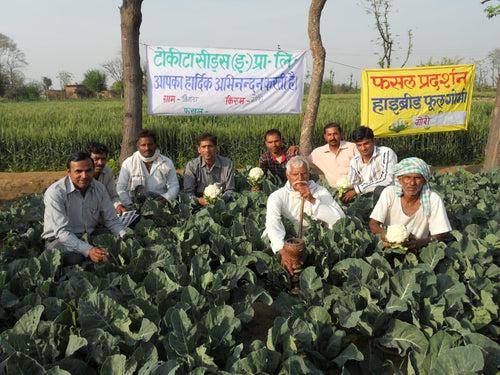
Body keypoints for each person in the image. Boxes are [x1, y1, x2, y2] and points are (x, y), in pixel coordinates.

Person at [264, 156, 345, 273]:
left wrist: (312, 200)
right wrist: (282, 251)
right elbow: (273, 223)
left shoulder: (320, 191)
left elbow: (339, 220)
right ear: (288, 176)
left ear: (309, 174)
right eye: (295, 174)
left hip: (312, 239)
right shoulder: (277, 196)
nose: (300, 178)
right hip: (286, 241)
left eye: (304, 174)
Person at [42, 152, 126, 266]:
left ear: (93, 170)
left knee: (117, 245)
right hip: (59, 239)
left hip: (89, 234)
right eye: (78, 171)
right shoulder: (55, 193)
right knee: (76, 259)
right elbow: (62, 233)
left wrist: (124, 235)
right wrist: (89, 250)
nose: (84, 176)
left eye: (88, 170)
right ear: (69, 172)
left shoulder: (99, 188)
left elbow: (112, 220)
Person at [369, 157, 452, 250]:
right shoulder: (389, 193)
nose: (412, 183)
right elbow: (373, 224)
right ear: (399, 179)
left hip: (419, 249)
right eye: (408, 177)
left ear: (424, 180)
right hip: (387, 247)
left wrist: (419, 243)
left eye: (417, 178)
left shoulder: (433, 199)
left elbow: (440, 234)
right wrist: (385, 234)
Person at [117, 129, 179, 206]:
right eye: (143, 145)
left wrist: (166, 198)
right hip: (136, 204)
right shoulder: (128, 163)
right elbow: (121, 188)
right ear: (137, 146)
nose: (147, 148)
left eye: (150, 144)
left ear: (155, 145)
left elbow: (174, 186)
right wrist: (129, 204)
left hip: (161, 205)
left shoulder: (166, 162)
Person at [343, 126, 397, 203]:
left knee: (379, 190)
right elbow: (353, 182)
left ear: (373, 141)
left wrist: (358, 190)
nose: (363, 148)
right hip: (365, 198)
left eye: (366, 143)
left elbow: (387, 179)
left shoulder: (386, 153)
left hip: (387, 197)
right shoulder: (354, 161)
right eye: (359, 145)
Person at [183, 133, 235, 206]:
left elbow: (230, 190)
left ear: (216, 148)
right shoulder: (192, 166)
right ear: (199, 149)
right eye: (203, 147)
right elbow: (188, 193)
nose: (207, 150)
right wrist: (200, 201)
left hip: (222, 204)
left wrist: (219, 200)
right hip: (199, 204)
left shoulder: (227, 164)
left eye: (210, 146)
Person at [308, 122, 357, 187]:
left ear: (340, 134)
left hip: (355, 190)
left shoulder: (353, 148)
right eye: (329, 134)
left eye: (335, 134)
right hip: (333, 192)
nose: (332, 137)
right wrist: (297, 148)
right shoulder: (318, 153)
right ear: (325, 136)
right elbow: (304, 164)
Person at [88, 142, 127, 215]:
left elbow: (112, 196)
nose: (100, 163)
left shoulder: (108, 172)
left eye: (103, 159)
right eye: (96, 159)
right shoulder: (82, 176)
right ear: (88, 159)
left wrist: (118, 205)